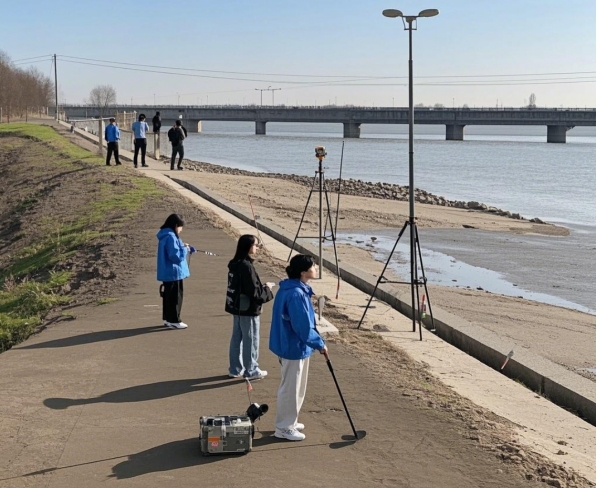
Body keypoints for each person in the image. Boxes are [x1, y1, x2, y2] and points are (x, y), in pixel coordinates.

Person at [269, 254, 327, 441]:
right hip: (293, 346)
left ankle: (290, 421)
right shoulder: (296, 293)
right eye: (313, 266)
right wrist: (319, 343)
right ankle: (284, 427)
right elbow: (302, 326)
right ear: (303, 272)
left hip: (293, 344)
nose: (316, 268)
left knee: (297, 386)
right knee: (291, 388)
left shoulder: (293, 289)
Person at [225, 235, 275, 380]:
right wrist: (267, 289)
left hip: (236, 306)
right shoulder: (246, 266)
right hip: (247, 308)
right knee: (251, 339)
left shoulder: (235, 263)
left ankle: (235, 368)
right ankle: (251, 370)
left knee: (237, 338)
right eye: (255, 245)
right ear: (248, 247)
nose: (257, 248)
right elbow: (255, 292)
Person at [156, 214, 196, 329]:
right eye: (180, 226)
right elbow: (175, 256)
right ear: (176, 225)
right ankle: (175, 320)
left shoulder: (165, 234)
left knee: (168, 297)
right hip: (174, 272)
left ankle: (168, 319)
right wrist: (185, 249)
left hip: (168, 272)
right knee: (175, 298)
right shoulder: (171, 236)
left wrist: (183, 246)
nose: (181, 229)